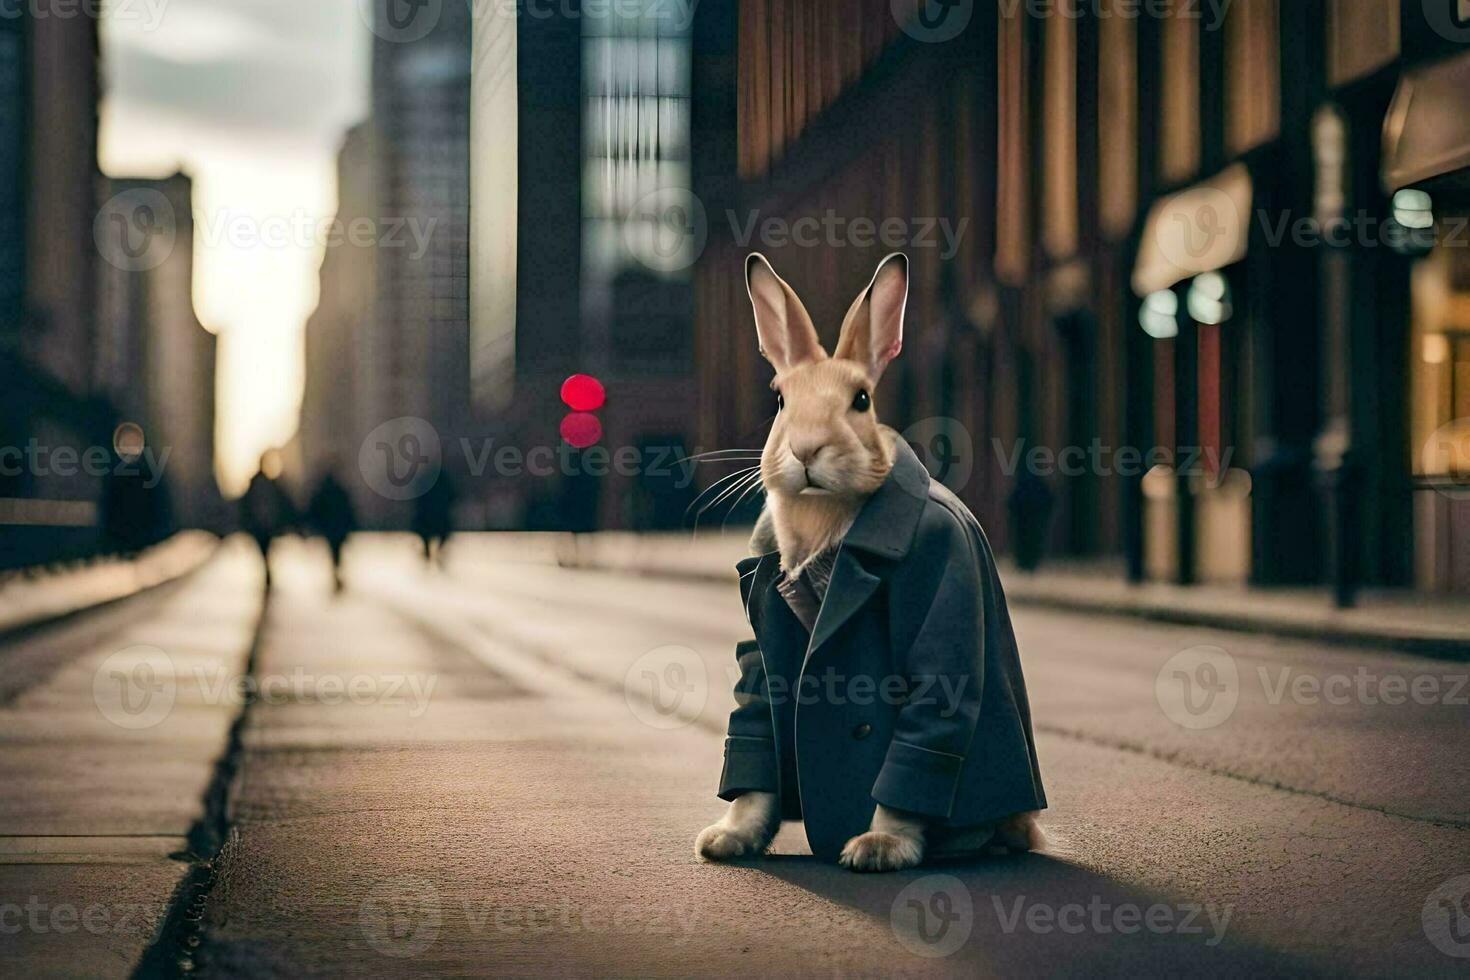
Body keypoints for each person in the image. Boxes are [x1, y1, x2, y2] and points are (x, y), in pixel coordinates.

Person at [240, 450, 294, 589]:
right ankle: (267, 574)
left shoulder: (271, 483)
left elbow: (283, 504)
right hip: (260, 525)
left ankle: (268, 574)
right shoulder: (261, 483)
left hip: (267, 525)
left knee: (266, 551)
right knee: (264, 552)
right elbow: (246, 506)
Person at [306, 469, 357, 593]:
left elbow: (316, 509)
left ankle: (336, 574)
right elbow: (348, 510)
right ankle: (337, 574)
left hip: (331, 529)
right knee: (337, 553)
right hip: (337, 529)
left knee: (334, 554)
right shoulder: (338, 490)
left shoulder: (325, 491)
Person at [412, 470, 456, 568]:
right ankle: (433, 550)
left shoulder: (426, 481)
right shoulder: (442, 482)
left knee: (427, 532)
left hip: (429, 517)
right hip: (436, 517)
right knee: (440, 533)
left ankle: (429, 550)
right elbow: (452, 496)